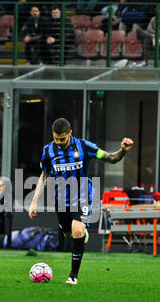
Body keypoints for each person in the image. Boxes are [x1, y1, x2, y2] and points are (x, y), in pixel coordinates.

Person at [28, 117, 134, 285]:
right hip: (62, 200)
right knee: (68, 235)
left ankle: (73, 275)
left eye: (62, 139)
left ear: (70, 133)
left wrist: (123, 151)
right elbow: (44, 175)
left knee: (77, 230)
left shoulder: (84, 146)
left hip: (83, 196)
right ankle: (81, 233)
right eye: (55, 138)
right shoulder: (48, 151)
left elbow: (111, 158)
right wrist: (34, 201)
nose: (58, 142)